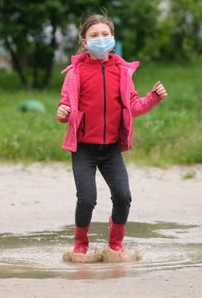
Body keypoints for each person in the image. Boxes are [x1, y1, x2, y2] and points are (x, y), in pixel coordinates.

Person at [56, 14, 168, 255]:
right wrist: (63, 112)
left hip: (111, 149)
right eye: (94, 35)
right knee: (87, 199)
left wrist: (154, 97)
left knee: (123, 196)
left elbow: (134, 106)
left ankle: (115, 244)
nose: (101, 39)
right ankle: (80, 246)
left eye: (105, 34)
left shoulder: (122, 71)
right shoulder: (76, 72)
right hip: (83, 149)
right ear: (84, 42)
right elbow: (65, 107)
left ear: (113, 37)